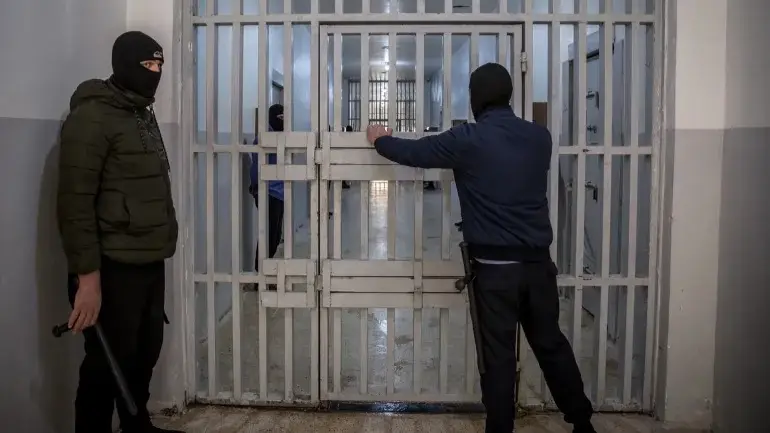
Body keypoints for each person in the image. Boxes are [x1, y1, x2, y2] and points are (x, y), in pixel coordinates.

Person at [365, 62, 596, 433]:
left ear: (474, 99)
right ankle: (583, 422)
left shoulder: (468, 139)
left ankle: (500, 428)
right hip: (538, 267)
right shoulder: (540, 138)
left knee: (498, 356)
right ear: (509, 95)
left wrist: (379, 139)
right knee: (552, 345)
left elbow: (415, 153)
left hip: (494, 269)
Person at [57, 31, 182, 433]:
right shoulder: (92, 118)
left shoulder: (140, 113)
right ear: (125, 65)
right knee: (104, 365)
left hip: (148, 259)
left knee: (145, 353)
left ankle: (136, 426)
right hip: (111, 265)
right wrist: (87, 280)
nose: (155, 72)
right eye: (148, 65)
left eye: (159, 65)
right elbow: (75, 205)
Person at [250, 104, 285, 282]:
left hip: (280, 194)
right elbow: (255, 167)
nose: (283, 121)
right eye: (281, 118)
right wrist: (256, 188)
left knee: (275, 236)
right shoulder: (263, 139)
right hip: (268, 194)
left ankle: (266, 272)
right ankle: (261, 275)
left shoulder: (281, 137)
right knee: (268, 236)